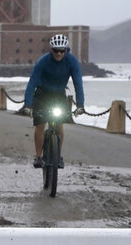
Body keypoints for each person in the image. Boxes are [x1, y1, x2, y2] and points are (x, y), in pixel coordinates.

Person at [20, 34, 85, 168]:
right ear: (51, 50)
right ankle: (38, 157)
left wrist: (80, 105)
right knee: (40, 125)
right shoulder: (43, 61)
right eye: (56, 50)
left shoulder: (72, 61)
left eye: (62, 51)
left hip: (59, 95)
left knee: (59, 125)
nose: (59, 54)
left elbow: (78, 83)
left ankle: (58, 156)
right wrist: (27, 104)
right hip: (42, 94)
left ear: (66, 50)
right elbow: (32, 82)